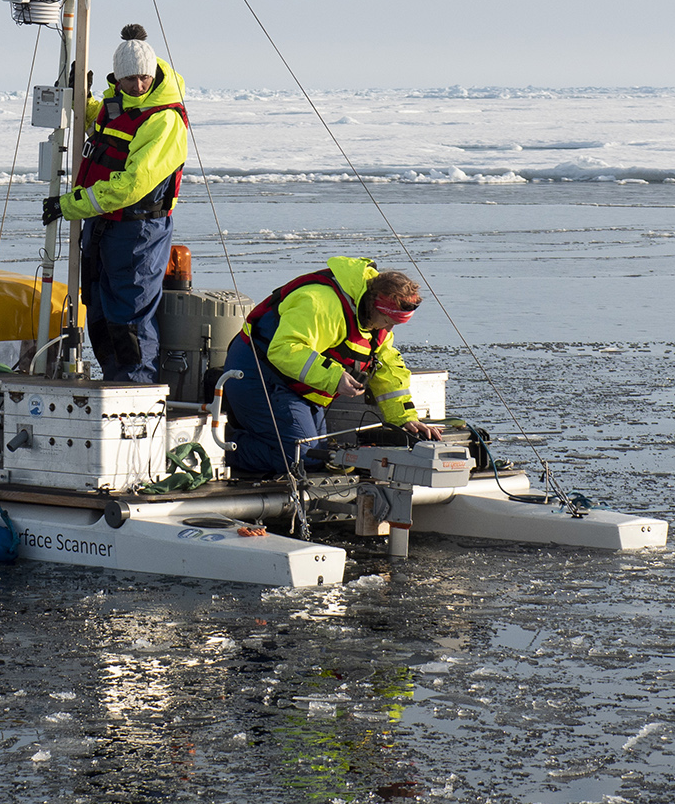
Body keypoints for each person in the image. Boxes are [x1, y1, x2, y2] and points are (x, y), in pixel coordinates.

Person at [42, 25, 190, 383]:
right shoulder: (118, 105)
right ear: (117, 78)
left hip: (137, 230)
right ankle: (112, 380)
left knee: (129, 314)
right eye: (129, 79)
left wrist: (70, 205)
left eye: (143, 77)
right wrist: (83, 98)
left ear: (153, 73)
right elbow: (104, 124)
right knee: (97, 309)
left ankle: (135, 390)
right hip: (102, 225)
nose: (137, 85)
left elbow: (132, 185)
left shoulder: (164, 120)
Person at [219, 256, 444, 476]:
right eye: (387, 321)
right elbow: (284, 348)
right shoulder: (321, 303)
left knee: (319, 456)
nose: (389, 329)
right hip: (257, 373)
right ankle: (219, 452)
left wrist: (405, 420)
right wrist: (334, 378)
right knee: (299, 458)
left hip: (299, 385)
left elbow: (388, 371)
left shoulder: (376, 321)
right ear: (374, 304)